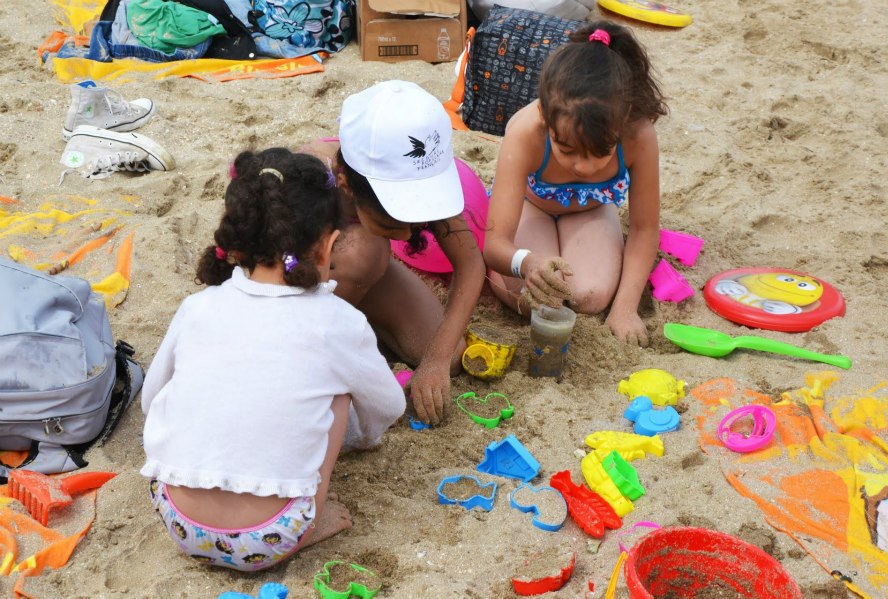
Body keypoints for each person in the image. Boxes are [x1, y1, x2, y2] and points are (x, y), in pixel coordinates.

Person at [140, 148, 405, 571]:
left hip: (178, 521)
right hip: (271, 536)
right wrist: (360, 436)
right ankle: (311, 521)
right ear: (329, 244)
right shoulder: (338, 320)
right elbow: (389, 405)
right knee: (338, 394)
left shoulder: (198, 306)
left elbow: (150, 399)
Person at [300, 80, 486, 424]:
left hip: (356, 275)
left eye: (416, 221)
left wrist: (435, 360)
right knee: (368, 251)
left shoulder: (419, 171)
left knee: (452, 354)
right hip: (302, 286)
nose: (406, 235)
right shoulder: (306, 179)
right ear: (347, 185)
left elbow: (471, 264)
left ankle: (361, 321)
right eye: (393, 222)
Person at [483, 20, 668, 346]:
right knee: (538, 301)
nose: (583, 167)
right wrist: (526, 262)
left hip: (591, 211)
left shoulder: (638, 135)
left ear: (623, 117)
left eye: (601, 152)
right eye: (566, 150)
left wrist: (625, 308)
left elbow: (644, 228)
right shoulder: (526, 132)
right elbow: (495, 242)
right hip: (531, 207)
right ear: (544, 115)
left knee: (591, 296)